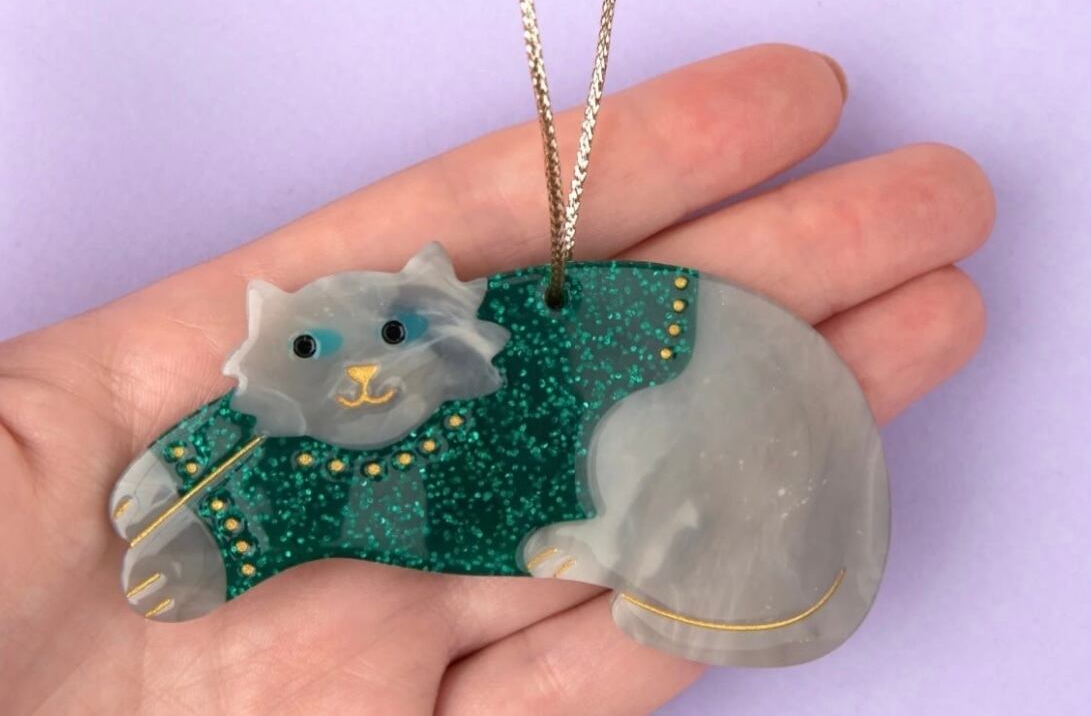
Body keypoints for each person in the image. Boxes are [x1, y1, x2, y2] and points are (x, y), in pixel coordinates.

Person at [0, 44, 994, 715]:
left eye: (394, 334)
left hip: (710, 439)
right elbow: (262, 418)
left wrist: (225, 540)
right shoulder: (327, 397)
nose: (362, 376)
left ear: (438, 313)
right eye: (307, 348)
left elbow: (319, 496)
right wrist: (178, 464)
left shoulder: (476, 394)